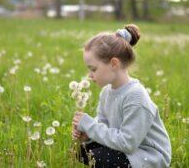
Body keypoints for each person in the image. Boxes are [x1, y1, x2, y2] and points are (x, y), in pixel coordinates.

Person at [72, 24, 171, 168]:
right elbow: (103, 125)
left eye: (93, 69)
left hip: (148, 156)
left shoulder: (136, 96)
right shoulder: (106, 92)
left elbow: (128, 143)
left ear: (113, 64)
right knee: (81, 151)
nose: (90, 75)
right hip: (127, 146)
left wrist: (91, 127)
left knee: (98, 158)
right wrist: (88, 134)